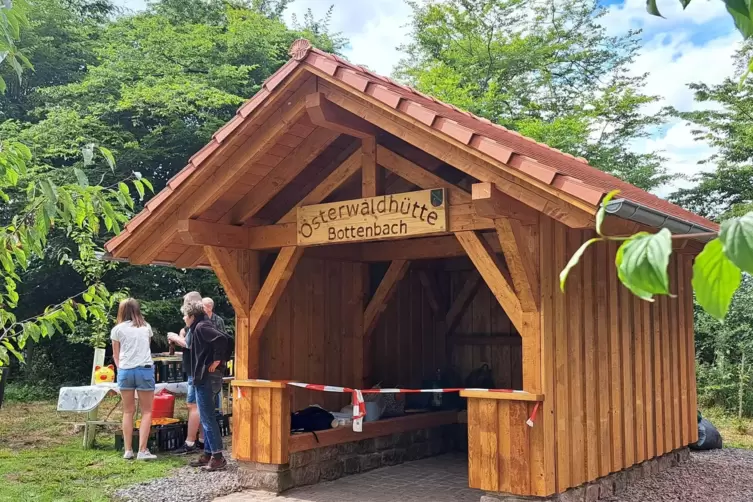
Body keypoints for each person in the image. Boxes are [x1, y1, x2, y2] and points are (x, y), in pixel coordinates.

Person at [182, 299, 231, 471]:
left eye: (184, 316)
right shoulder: (200, 327)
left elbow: (223, 339)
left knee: (208, 418)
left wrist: (218, 359)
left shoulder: (202, 326)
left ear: (192, 316)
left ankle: (218, 457)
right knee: (206, 417)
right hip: (203, 376)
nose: (183, 319)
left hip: (206, 377)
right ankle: (209, 454)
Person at [111, 298, 157, 461]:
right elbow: (147, 348)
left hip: (125, 371)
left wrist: (121, 368)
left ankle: (128, 450)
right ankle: (143, 450)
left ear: (122, 311)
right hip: (144, 370)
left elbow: (116, 355)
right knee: (146, 411)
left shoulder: (117, 329)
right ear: (138, 310)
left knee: (128, 411)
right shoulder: (146, 327)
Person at [168, 292, 204, 454]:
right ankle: (204, 440)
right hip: (200, 370)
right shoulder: (205, 322)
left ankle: (190, 442)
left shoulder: (197, 323)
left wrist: (175, 338)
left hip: (195, 372)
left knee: (193, 405)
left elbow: (189, 344)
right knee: (203, 406)